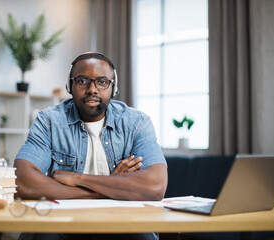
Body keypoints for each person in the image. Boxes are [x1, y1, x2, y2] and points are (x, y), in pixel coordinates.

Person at [14, 52, 168, 240]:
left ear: (114, 88)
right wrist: (111, 189)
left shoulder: (136, 122)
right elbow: (21, 180)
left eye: (102, 82)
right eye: (82, 81)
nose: (92, 89)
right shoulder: (49, 121)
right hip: (62, 223)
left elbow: (155, 186)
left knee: (143, 236)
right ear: (70, 86)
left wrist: (77, 178)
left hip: (122, 222)